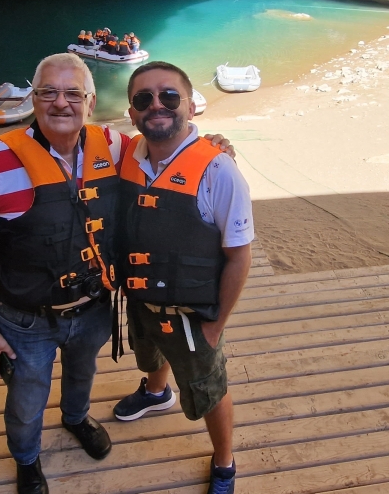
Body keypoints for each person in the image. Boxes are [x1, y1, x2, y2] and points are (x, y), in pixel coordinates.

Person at [0, 54, 236, 494]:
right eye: (48, 92)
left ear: (90, 101)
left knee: (82, 373)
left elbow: (165, 148)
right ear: (34, 98)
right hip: (25, 318)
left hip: (92, 306)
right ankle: (27, 459)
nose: (60, 103)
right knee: (27, 397)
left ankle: (75, 418)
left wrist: (213, 145)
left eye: (73, 93)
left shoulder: (112, 145)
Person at [112, 61, 253, 494]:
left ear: (190, 105)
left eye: (169, 96)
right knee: (150, 352)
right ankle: (157, 393)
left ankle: (225, 462)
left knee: (209, 387)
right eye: (143, 99)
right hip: (141, 297)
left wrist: (216, 325)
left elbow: (239, 256)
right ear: (132, 112)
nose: (157, 105)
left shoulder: (218, 169)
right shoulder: (124, 156)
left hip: (193, 311)